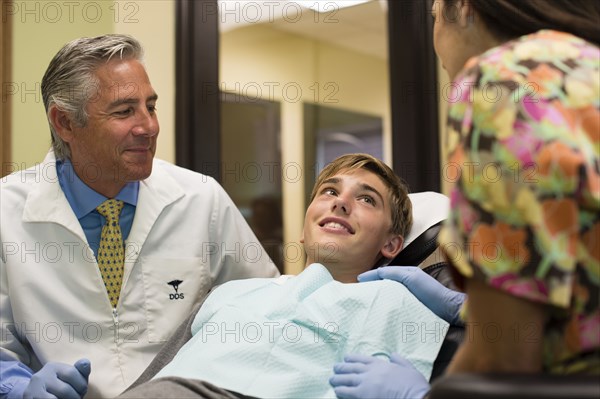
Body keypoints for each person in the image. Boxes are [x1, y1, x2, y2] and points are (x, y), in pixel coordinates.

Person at [330, 0, 600, 397]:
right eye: (330, 190)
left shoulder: (501, 81)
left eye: (434, 14)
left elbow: (503, 361)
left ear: (463, 6)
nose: (340, 203)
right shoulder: (584, 68)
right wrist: (470, 309)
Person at [0, 34, 279, 398]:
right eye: (124, 111)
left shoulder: (201, 199)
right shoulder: (7, 211)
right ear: (64, 123)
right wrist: (19, 387)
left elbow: (267, 311)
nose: (148, 127)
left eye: (151, 106)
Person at [116, 153, 449, 398]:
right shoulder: (230, 293)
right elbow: (148, 381)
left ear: (392, 244)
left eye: (366, 199)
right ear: (304, 229)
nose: (341, 203)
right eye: (330, 192)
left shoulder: (393, 301)